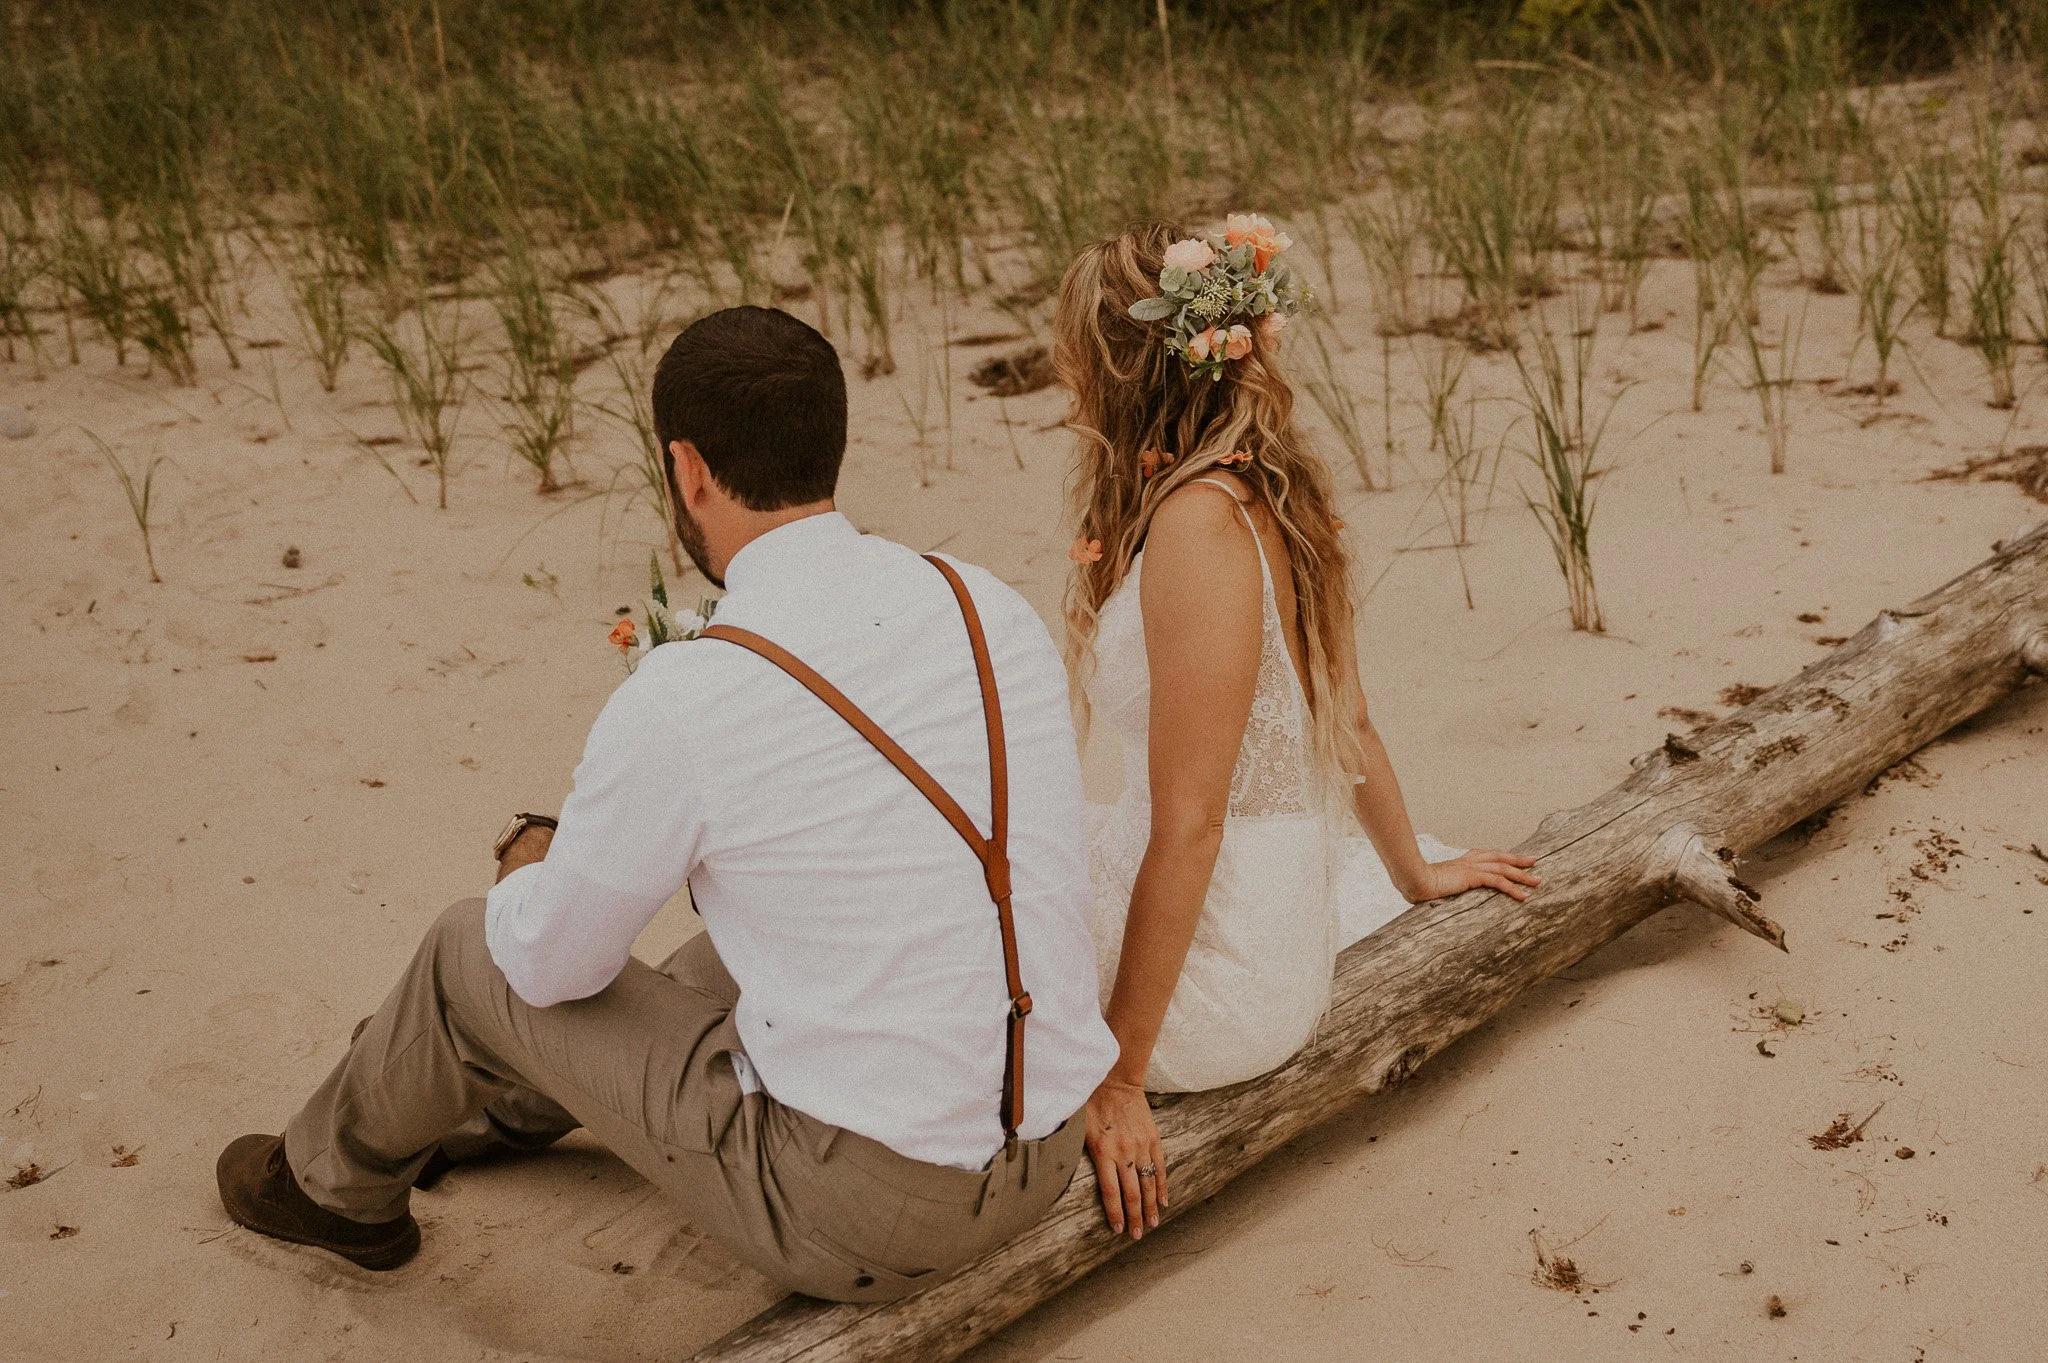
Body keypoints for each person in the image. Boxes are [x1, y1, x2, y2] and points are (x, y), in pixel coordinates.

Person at [216, 306, 1120, 1300]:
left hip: (870, 1216)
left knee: (467, 951)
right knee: (728, 950)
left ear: (687, 470)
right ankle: (472, 1101)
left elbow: (553, 960)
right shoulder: (981, 600)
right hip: (1047, 1141)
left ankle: (329, 1187)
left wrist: (531, 862)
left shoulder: (693, 688)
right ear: (831, 445)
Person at [1052, 219, 1541, 1241]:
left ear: (1119, 366)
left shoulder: (1194, 528)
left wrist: (1118, 1072)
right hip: (1268, 932)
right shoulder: (1264, 489)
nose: (1064, 379)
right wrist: (1411, 872)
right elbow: (1344, 712)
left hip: (1215, 979)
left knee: (974, 910)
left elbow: (1189, 823)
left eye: (1072, 356)